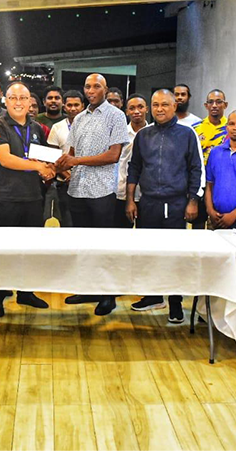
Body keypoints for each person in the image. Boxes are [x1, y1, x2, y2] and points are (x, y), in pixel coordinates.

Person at [125, 89, 203, 322]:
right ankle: (152, 296)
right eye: (156, 105)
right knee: (148, 253)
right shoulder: (143, 135)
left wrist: (192, 201)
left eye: (165, 105)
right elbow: (134, 168)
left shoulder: (187, 134)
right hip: (148, 203)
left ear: (174, 106)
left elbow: (196, 169)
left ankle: (175, 303)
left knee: (174, 255)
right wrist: (130, 199)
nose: (160, 109)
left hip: (177, 203)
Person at [56, 73, 129, 316]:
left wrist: (76, 160)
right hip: (77, 189)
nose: (91, 90)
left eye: (96, 86)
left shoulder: (116, 116)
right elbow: (72, 153)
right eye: (87, 86)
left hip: (102, 191)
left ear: (105, 90)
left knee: (103, 245)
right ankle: (88, 288)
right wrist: (57, 165)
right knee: (83, 245)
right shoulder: (78, 119)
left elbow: (113, 155)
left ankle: (107, 295)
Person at [0, 82, 56, 317]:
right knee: (1, 251)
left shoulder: (36, 128)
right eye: (13, 97)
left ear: (30, 103)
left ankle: (25, 293)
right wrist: (38, 167)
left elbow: (44, 158)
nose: (18, 102)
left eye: (23, 98)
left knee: (29, 250)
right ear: (5, 100)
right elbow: (6, 159)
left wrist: (54, 168)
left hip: (32, 198)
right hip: (6, 199)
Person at [190, 89, 228, 228]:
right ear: (206, 105)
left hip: (221, 184)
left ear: (225, 105)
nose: (214, 105)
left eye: (219, 102)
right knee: (198, 228)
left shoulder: (231, 128)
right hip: (200, 183)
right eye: (210, 102)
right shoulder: (195, 129)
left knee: (218, 226)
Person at [46, 90, 85, 227]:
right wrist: (67, 176)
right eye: (69, 105)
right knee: (67, 222)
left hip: (87, 182)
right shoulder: (57, 128)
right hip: (64, 183)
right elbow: (52, 157)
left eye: (76, 105)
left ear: (83, 106)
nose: (73, 108)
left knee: (85, 223)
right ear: (64, 106)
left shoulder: (90, 126)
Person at [114, 93, 148, 228]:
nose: (136, 111)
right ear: (127, 111)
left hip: (146, 193)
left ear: (147, 109)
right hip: (121, 192)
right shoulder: (119, 134)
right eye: (132, 108)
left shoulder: (153, 133)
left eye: (140, 107)